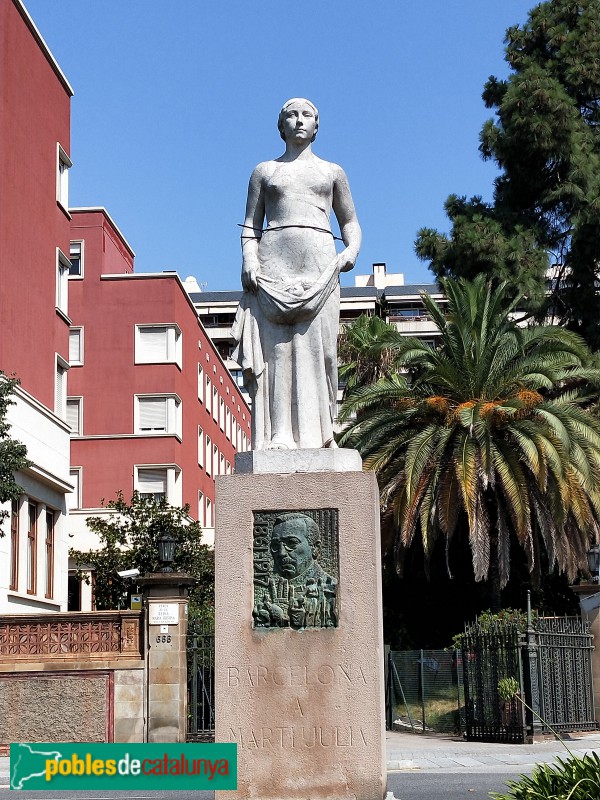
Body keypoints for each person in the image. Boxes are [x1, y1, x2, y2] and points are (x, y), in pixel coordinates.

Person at [232, 98, 362, 450]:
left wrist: (350, 251)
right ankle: (280, 435)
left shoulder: (332, 172)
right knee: (278, 353)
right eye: (292, 114)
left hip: (321, 266)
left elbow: (349, 221)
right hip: (273, 265)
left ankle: (323, 433)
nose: (299, 120)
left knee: (325, 352)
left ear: (317, 126)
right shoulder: (265, 171)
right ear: (281, 126)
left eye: (307, 115)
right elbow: (250, 223)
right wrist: (249, 258)